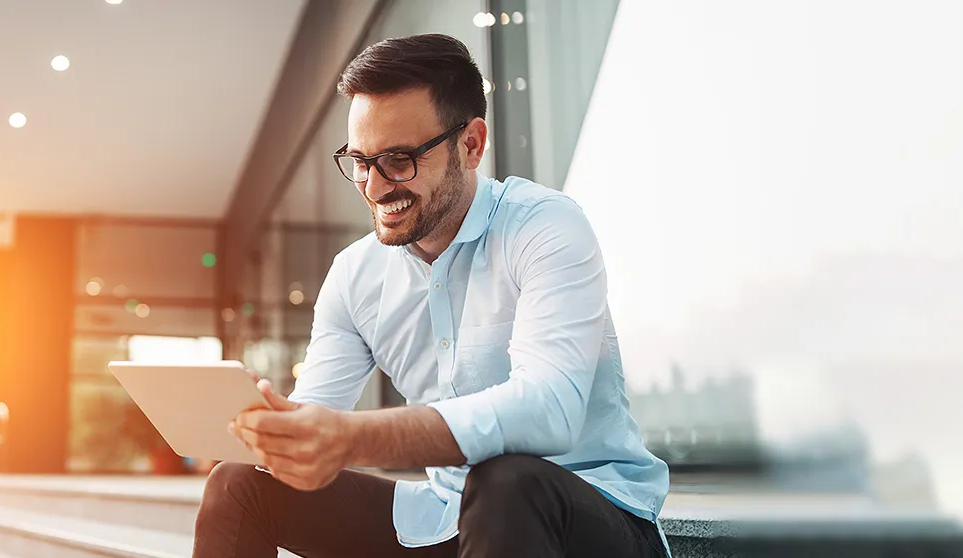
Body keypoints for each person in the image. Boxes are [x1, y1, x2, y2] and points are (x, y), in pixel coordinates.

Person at [193, 33, 670, 558]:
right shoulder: (355, 275)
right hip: (450, 516)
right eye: (361, 162)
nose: (375, 188)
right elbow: (317, 418)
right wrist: (276, 436)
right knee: (237, 486)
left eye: (398, 160)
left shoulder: (545, 226)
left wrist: (353, 437)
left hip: (590, 515)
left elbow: (548, 410)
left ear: (471, 144)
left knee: (506, 480)